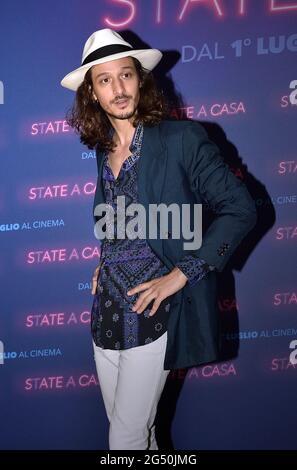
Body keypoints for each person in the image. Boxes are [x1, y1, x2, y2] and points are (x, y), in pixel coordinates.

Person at [60, 28, 257, 450]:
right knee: (136, 434)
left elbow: (241, 208)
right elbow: (119, 216)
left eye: (126, 75)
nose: (118, 88)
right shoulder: (103, 149)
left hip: (156, 308)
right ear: (92, 93)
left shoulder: (181, 139)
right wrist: (105, 260)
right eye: (105, 79)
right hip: (107, 309)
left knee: (124, 440)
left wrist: (183, 272)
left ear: (141, 79)